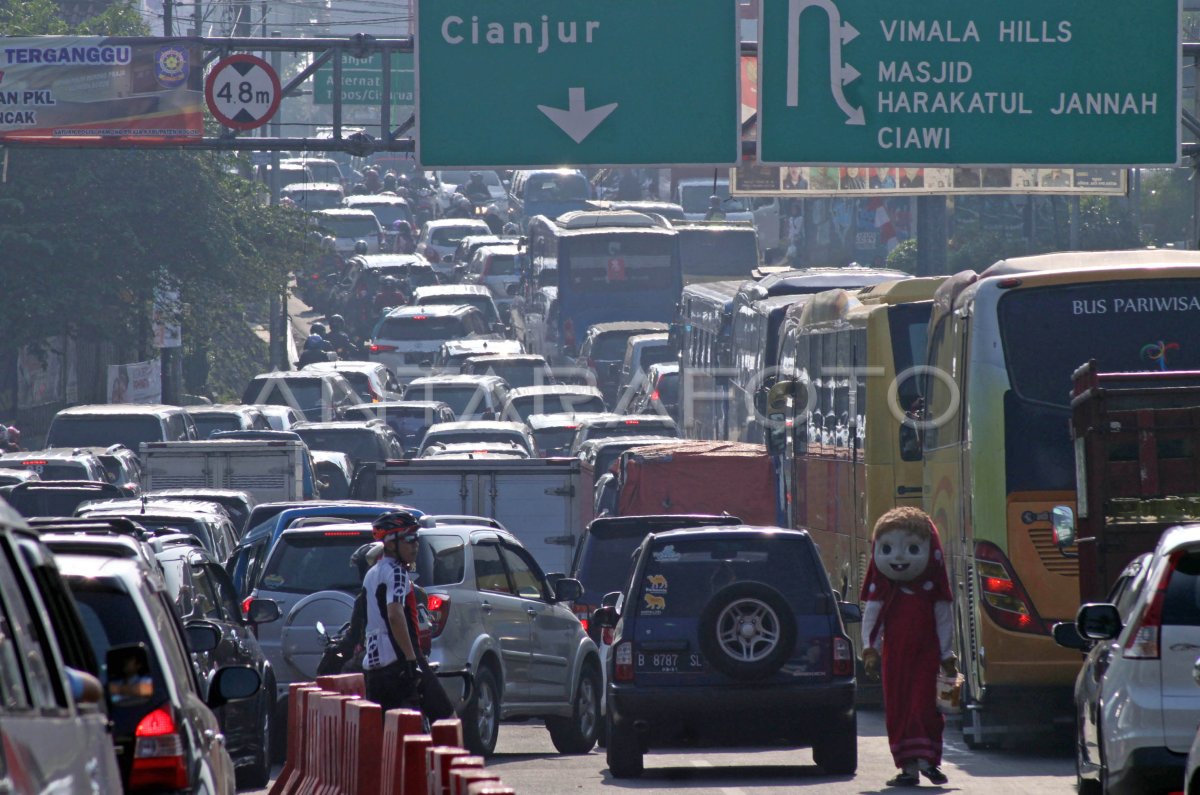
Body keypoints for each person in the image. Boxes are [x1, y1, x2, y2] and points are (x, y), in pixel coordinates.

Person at [861, 506, 956, 788]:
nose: (898, 557)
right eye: (887, 548)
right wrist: (870, 650)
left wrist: (946, 654)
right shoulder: (885, 589)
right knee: (898, 707)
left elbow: (943, 619)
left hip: (926, 656)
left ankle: (928, 761)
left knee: (924, 705)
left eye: (913, 549)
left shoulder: (932, 590)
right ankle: (908, 768)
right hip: (895, 658)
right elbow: (873, 618)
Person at [362, 511, 423, 711]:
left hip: (373, 669)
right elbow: (395, 615)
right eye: (409, 538)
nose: (415, 544)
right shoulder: (397, 571)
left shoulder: (371, 574)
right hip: (397, 663)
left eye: (417, 538)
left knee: (383, 730)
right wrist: (411, 659)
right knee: (445, 715)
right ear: (389, 543)